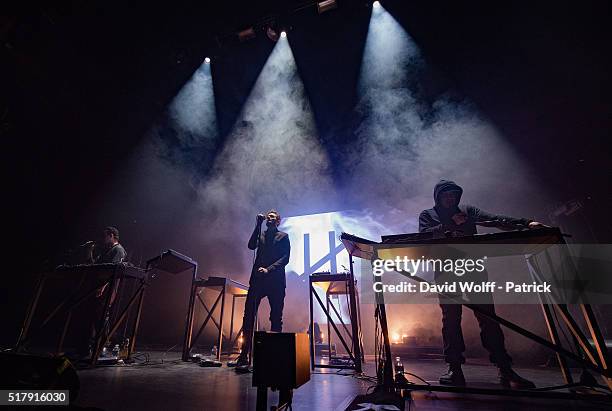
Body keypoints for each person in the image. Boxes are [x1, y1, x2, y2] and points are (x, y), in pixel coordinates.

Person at [419, 180, 544, 389]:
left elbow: (494, 219)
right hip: (446, 272)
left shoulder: (468, 210)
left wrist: (527, 222)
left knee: (489, 319)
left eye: (453, 194)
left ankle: (505, 369)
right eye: (445, 195)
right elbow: (424, 237)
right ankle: (454, 369)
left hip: (474, 270)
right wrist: (450, 224)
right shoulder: (427, 215)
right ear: (438, 197)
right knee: (451, 320)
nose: (450, 198)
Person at [229, 210, 291, 369]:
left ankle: (273, 356)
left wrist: (269, 269)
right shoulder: (261, 234)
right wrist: (257, 224)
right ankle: (244, 355)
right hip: (258, 281)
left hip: (275, 282)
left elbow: (285, 258)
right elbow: (251, 246)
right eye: (267, 217)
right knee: (248, 316)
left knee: (276, 317)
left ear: (278, 221)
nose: (268, 218)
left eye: (272, 217)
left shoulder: (283, 237)